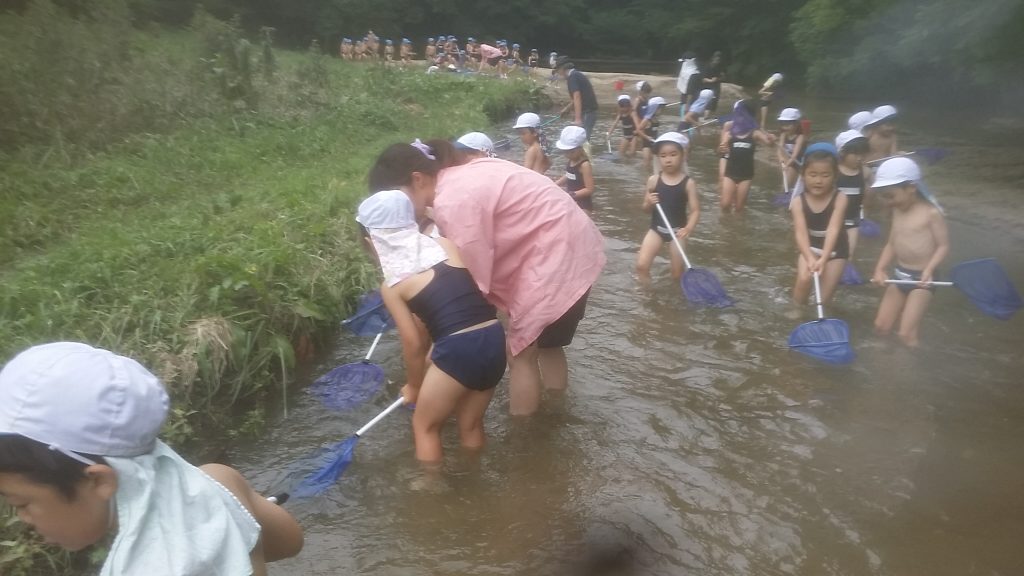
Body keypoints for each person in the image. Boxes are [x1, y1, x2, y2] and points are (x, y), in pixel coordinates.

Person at [0, 342, 303, 575]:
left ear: (99, 480)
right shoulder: (219, 480)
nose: (24, 520)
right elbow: (290, 541)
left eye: (22, 504)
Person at [366, 142, 606, 417]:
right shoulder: (464, 172)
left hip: (555, 256)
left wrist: (444, 344)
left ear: (417, 179)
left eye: (397, 197)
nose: (398, 208)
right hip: (575, 243)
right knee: (549, 345)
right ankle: (557, 408)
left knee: (520, 354)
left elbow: (472, 281)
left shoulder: (451, 201)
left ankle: (524, 435)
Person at [356, 190, 505, 464]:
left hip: (459, 350)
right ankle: (476, 477)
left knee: (425, 426)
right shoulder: (446, 245)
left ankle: (431, 494)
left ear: (372, 243)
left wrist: (414, 386)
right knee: (470, 424)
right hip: (494, 337)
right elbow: (457, 305)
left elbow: (412, 344)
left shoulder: (392, 286)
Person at [870, 158, 949, 347]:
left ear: (911, 188)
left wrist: (929, 269)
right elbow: (891, 244)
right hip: (900, 275)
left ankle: (910, 369)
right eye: (884, 196)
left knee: (905, 334)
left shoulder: (931, 213)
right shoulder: (897, 210)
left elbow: (943, 246)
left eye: (891, 196)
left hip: (923, 280)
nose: (888, 202)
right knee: (881, 327)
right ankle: (885, 365)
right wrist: (879, 269)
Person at [789, 143, 849, 306]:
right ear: (803, 175)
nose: (818, 180)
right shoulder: (797, 202)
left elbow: (834, 229)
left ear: (835, 176)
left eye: (825, 175)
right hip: (811, 248)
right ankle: (797, 312)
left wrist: (824, 258)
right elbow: (800, 234)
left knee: (822, 300)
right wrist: (810, 258)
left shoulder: (841, 198)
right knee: (804, 279)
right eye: (813, 174)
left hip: (836, 251)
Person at [636, 132, 700, 282]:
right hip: (656, 230)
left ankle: (675, 299)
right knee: (641, 266)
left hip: (678, 233)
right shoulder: (653, 181)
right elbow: (645, 209)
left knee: (677, 274)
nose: (668, 160)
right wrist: (649, 203)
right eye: (663, 156)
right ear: (658, 158)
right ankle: (646, 295)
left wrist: (688, 229)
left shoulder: (688, 183)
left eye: (673, 154)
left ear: (682, 155)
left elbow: (695, 210)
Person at [717, 100, 775, 211]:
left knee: (739, 207)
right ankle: (727, 224)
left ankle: (736, 224)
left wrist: (771, 139)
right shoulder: (730, 133)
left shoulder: (755, 133)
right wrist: (722, 148)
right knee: (725, 204)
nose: (740, 118)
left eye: (743, 115)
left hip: (746, 175)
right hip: (730, 173)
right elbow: (721, 151)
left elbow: (769, 144)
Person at [835, 129, 871, 262]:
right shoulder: (833, 172)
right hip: (832, 220)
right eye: (855, 154)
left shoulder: (865, 173)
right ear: (842, 153)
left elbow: (867, 195)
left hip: (852, 221)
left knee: (848, 255)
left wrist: (865, 214)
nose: (860, 158)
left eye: (862, 154)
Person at [553, 126, 595, 215]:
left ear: (580, 149)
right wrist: (555, 184)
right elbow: (569, 175)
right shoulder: (572, 159)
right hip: (572, 201)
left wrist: (571, 195)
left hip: (583, 205)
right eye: (565, 152)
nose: (567, 155)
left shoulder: (584, 165)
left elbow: (589, 189)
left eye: (571, 151)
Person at [554, 57, 599, 138]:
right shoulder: (576, 75)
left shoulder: (572, 77)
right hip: (589, 112)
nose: (558, 73)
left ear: (562, 68)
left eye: (557, 70)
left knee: (581, 140)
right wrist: (567, 108)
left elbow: (577, 96)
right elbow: (578, 97)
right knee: (580, 140)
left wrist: (577, 119)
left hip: (587, 112)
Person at [776, 107, 806, 191]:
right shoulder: (783, 135)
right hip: (787, 162)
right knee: (789, 185)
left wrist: (787, 165)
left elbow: (795, 155)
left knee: (786, 186)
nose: (785, 127)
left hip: (797, 163)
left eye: (788, 125)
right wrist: (781, 158)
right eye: (783, 124)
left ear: (796, 124)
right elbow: (780, 148)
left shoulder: (800, 137)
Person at [636, 96, 667, 173]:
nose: (661, 111)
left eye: (662, 109)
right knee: (646, 160)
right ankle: (645, 175)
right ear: (654, 108)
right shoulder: (647, 120)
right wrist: (647, 137)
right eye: (660, 108)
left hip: (654, 143)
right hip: (646, 144)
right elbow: (638, 130)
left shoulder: (656, 119)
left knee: (656, 161)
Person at [675, 52, 701, 117]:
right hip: (687, 99)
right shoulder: (691, 71)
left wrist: (687, 105)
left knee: (686, 117)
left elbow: (690, 90)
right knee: (686, 117)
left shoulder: (692, 73)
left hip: (689, 99)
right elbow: (690, 91)